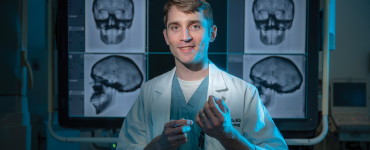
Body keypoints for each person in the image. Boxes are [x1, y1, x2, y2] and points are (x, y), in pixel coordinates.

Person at [117, 0, 288, 149]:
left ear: (212, 33)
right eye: (175, 27)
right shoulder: (149, 92)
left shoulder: (244, 93)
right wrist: (158, 146)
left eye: (195, 26)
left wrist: (228, 135)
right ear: (166, 36)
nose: (185, 37)